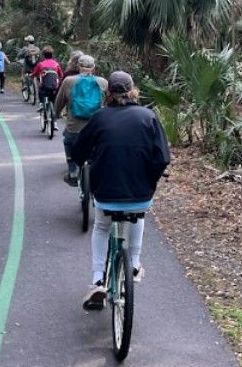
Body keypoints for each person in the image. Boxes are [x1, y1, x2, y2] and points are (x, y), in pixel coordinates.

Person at [70, 71, 170, 311]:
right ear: (133, 90)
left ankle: (97, 280)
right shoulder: (148, 116)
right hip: (140, 193)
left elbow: (78, 152)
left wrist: (85, 160)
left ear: (108, 94)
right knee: (139, 215)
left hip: (106, 193)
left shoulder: (99, 118)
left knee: (102, 226)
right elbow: (162, 157)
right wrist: (151, 179)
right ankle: (134, 263)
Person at [54, 54, 107, 186]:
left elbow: (59, 102)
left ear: (78, 67)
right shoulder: (103, 82)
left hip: (74, 127)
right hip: (97, 127)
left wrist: (56, 114)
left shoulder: (69, 81)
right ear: (94, 68)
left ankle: (72, 171)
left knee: (68, 141)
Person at [31, 46, 64, 124]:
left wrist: (31, 75)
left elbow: (34, 74)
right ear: (52, 55)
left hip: (44, 87)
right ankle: (55, 123)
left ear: (43, 55)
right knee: (54, 101)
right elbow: (61, 75)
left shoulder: (40, 64)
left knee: (41, 90)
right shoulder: (56, 64)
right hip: (54, 87)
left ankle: (42, 104)